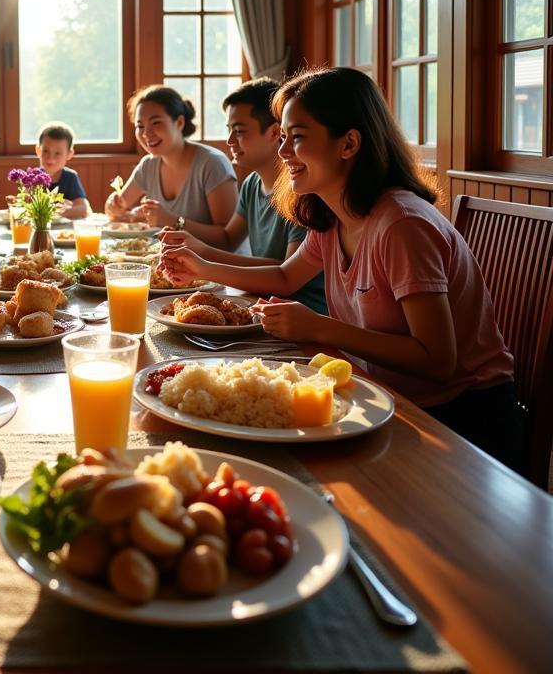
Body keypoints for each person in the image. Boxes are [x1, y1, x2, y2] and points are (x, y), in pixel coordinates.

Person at [161, 67, 520, 468]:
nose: (283, 153)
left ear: (348, 143)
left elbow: (438, 361)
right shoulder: (333, 216)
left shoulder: (402, 224)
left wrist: (318, 326)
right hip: (383, 393)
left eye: (296, 138)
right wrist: (201, 267)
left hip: (460, 420)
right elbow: (285, 277)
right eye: (282, 138)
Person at [159, 78, 327, 313]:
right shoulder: (252, 183)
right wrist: (189, 240)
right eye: (229, 131)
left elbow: (285, 274)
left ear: (274, 132)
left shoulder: (304, 192)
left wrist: (204, 256)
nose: (229, 141)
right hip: (261, 305)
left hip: (302, 313)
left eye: (239, 131)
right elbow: (229, 239)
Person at [105, 84, 237, 238]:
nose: (147, 133)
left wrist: (173, 221)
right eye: (140, 126)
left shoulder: (212, 163)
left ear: (180, 122)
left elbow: (227, 239)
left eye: (156, 123)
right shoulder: (148, 165)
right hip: (171, 257)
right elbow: (119, 210)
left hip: (218, 261)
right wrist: (113, 208)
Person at [35, 123, 91, 219]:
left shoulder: (70, 177)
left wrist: (54, 213)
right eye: (46, 151)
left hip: (65, 231)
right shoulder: (32, 178)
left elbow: (83, 209)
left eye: (58, 153)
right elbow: (24, 207)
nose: (50, 158)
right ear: (38, 151)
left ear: (69, 154)